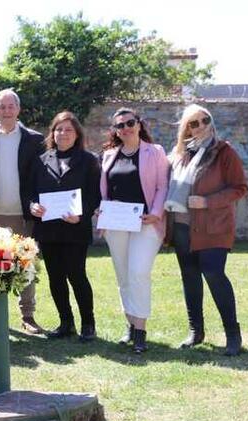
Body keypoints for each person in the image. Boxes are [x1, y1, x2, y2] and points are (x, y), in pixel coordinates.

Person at [165, 104, 248, 356]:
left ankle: (233, 336)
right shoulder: (179, 155)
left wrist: (207, 201)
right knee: (190, 277)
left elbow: (240, 188)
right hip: (181, 226)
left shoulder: (224, 151)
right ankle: (195, 331)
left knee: (213, 273)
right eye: (194, 123)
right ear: (186, 128)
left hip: (214, 227)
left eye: (205, 120)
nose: (201, 125)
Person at [0, 88, 46, 334]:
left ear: (18, 109)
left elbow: (42, 177)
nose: (6, 111)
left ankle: (28, 315)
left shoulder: (35, 140)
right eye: (1, 107)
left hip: (23, 214)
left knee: (25, 265)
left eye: (10, 106)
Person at [100, 108, 169, 354]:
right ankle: (130, 323)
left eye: (130, 123)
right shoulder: (109, 155)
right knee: (123, 276)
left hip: (146, 223)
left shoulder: (156, 152)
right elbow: (104, 192)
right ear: (115, 131)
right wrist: (101, 211)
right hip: (117, 224)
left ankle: (140, 331)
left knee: (138, 272)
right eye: (120, 125)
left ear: (139, 124)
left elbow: (162, 186)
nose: (126, 128)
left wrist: (157, 212)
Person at [28, 111, 101, 342]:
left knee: (76, 275)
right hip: (48, 229)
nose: (63, 134)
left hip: (75, 229)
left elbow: (95, 195)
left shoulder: (88, 160)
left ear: (77, 133)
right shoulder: (41, 160)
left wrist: (81, 215)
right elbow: (30, 192)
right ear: (53, 133)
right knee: (55, 277)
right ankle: (66, 323)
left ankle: (88, 324)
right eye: (59, 129)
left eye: (68, 129)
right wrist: (32, 206)